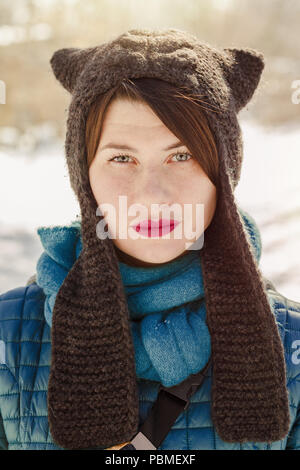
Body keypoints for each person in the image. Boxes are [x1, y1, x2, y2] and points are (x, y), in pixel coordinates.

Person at [0, 28, 300, 451]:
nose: (152, 195)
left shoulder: (292, 346)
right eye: (122, 158)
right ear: (83, 175)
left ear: (224, 175)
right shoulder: (9, 334)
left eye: (182, 155)